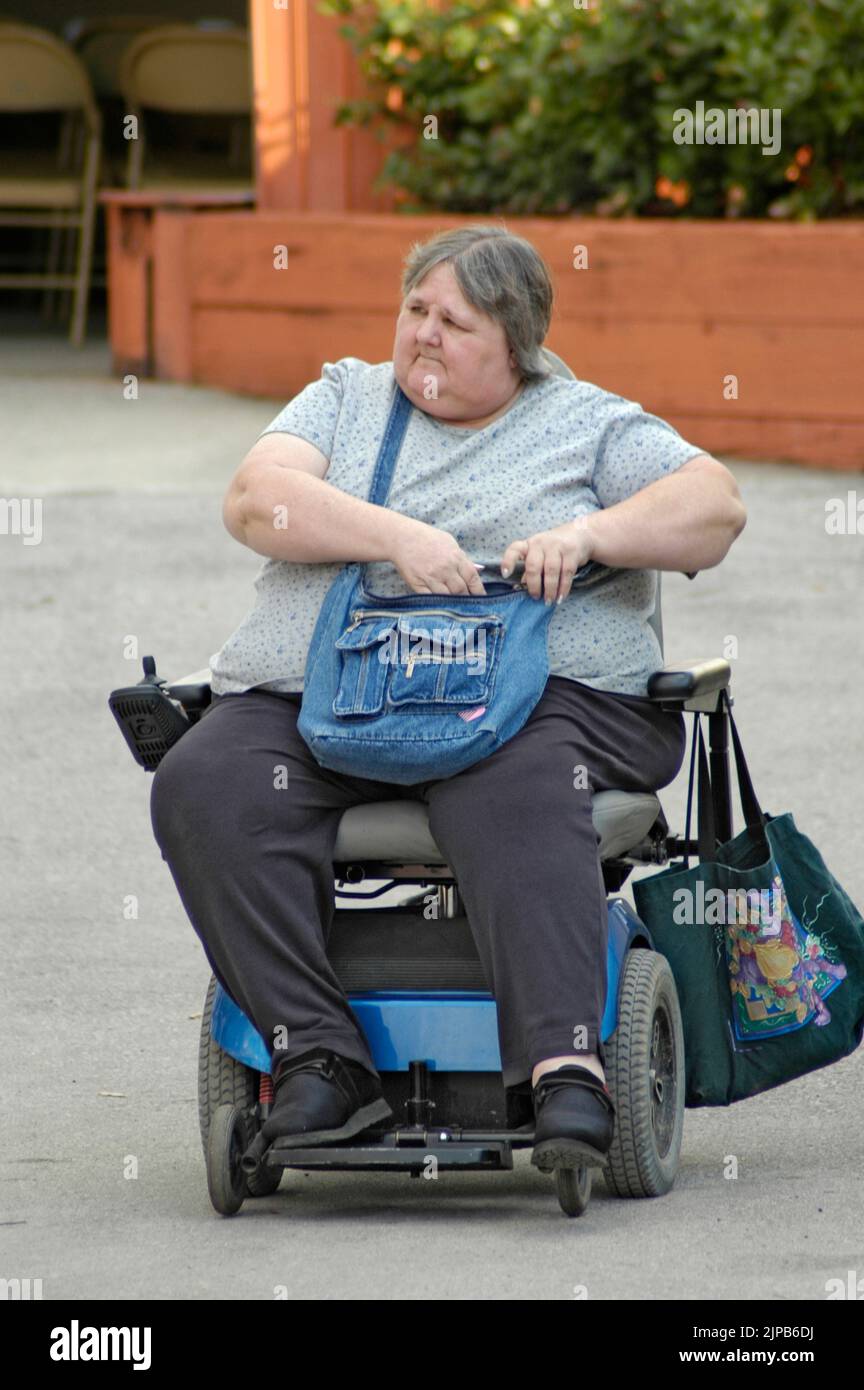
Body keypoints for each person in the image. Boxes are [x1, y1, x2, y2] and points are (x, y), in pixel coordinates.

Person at [150, 224, 746, 1173]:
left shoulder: (587, 422)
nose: (423, 334)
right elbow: (257, 501)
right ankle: (316, 1055)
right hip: (338, 695)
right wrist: (391, 536)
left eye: (454, 322)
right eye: (415, 310)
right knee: (205, 783)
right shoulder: (345, 397)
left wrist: (589, 535)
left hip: (535, 704)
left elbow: (715, 509)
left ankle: (565, 1067)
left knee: (499, 783)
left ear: (519, 347)